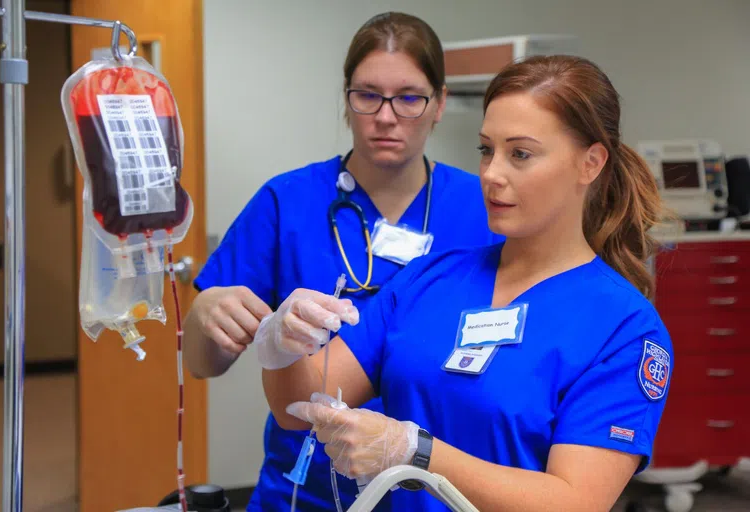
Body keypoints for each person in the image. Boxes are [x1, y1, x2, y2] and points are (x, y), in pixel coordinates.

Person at [254, 54, 673, 511]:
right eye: (486, 150)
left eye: (520, 154)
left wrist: (417, 454)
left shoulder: (624, 331)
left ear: (590, 163)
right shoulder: (429, 280)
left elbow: (575, 502)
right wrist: (281, 344)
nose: (492, 173)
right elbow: (297, 408)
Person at [183, 12, 502, 511]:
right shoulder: (286, 202)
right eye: (367, 94)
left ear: (440, 103)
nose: (386, 115)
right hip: (305, 490)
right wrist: (204, 318)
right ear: (347, 98)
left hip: (439, 489)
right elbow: (203, 366)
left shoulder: (482, 208)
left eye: (410, 97)